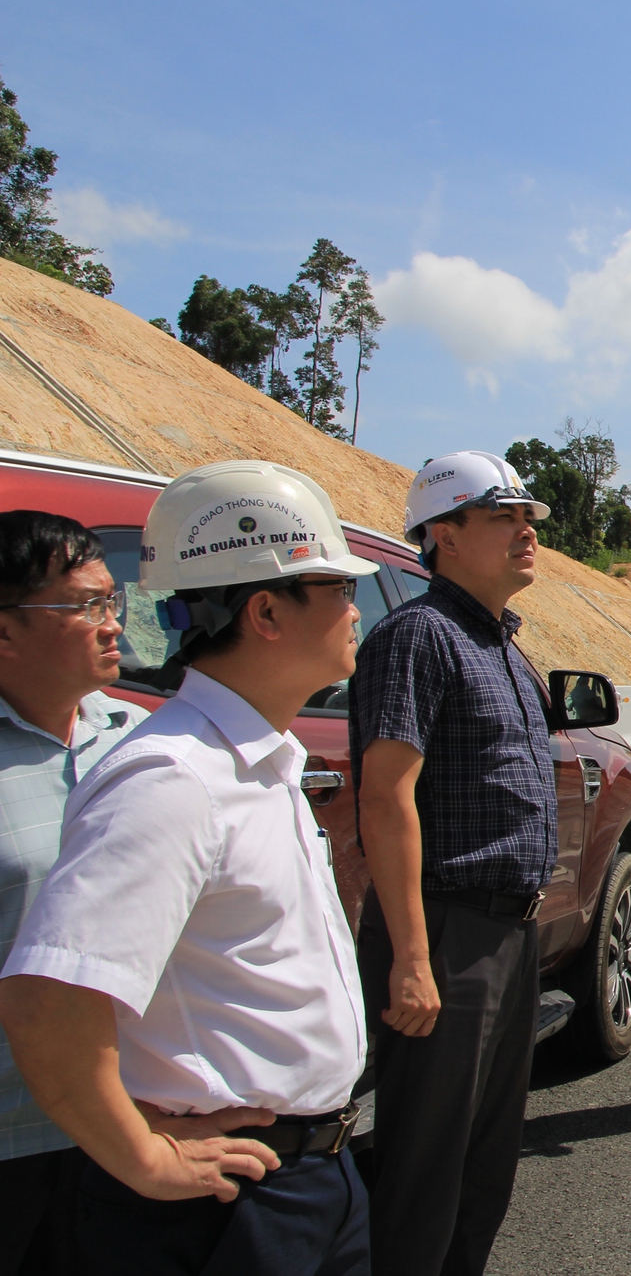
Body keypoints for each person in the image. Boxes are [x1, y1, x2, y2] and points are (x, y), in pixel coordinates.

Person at [0, 462, 378, 1274]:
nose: (355, 608)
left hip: (310, 1174)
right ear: (267, 611)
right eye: (335, 586)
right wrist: (143, 1156)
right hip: (225, 1203)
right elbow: (46, 999)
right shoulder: (175, 779)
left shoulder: (251, 761)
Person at [348, 451, 555, 1276]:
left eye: (529, 518)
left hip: (510, 935)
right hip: (445, 929)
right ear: (444, 534)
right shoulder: (417, 637)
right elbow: (386, 799)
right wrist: (410, 957)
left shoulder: (502, 645)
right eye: (505, 517)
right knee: (424, 1173)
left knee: (485, 1168)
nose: (527, 532)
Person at [0, 513, 145, 1275]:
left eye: (111, 599)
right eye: (83, 606)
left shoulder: (136, 739)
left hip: (125, 1127)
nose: (112, 622)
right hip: (12, 1137)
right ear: (5, 631)